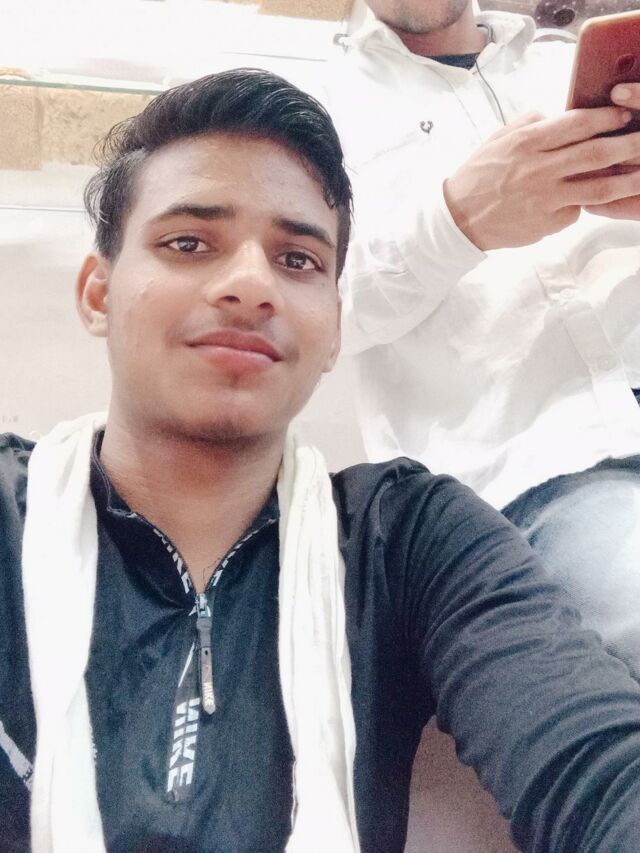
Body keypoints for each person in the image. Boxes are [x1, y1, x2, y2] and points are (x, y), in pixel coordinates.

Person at [5, 68, 640, 853]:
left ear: (335, 328)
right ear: (98, 293)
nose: (250, 285)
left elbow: (597, 765)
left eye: (298, 259)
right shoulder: (10, 518)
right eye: (188, 243)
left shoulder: (406, 542)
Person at [324, 1, 640, 677]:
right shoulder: (314, 107)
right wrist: (456, 221)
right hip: (544, 473)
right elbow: (310, 311)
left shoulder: (570, 63)